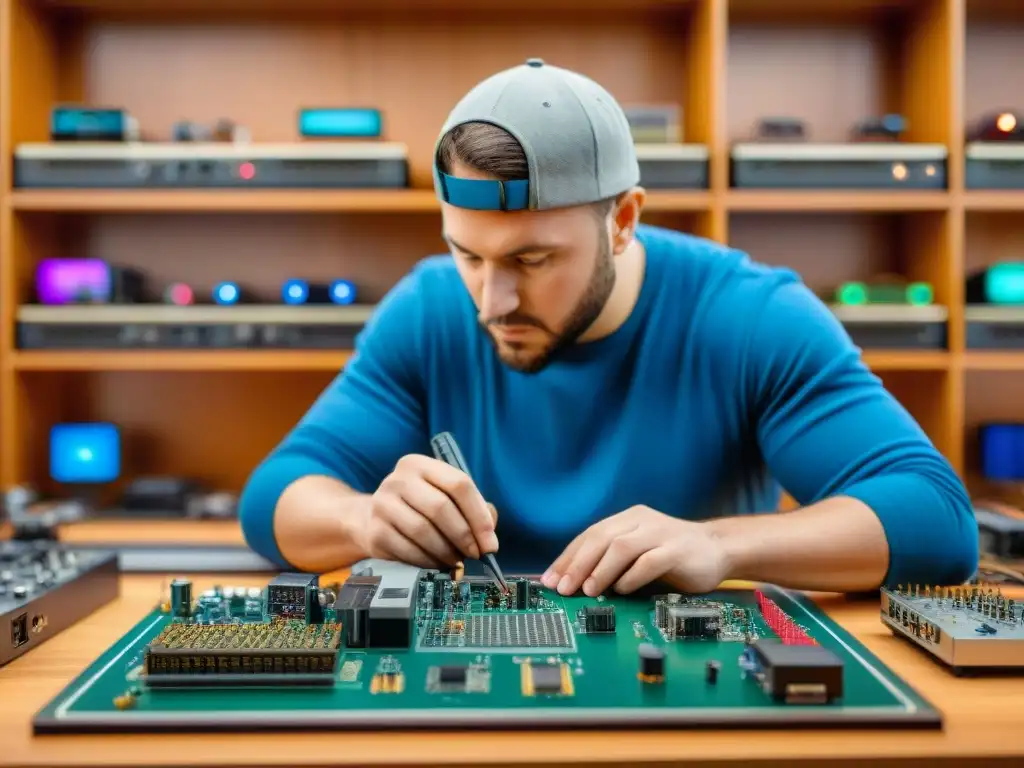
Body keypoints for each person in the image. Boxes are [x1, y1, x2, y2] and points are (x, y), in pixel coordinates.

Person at [239, 59, 978, 597]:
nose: (491, 300)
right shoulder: (429, 308)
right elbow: (274, 496)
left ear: (622, 220)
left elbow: (937, 520)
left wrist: (717, 545)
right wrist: (364, 520)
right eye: (467, 253)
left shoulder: (750, 317)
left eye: (532, 259)